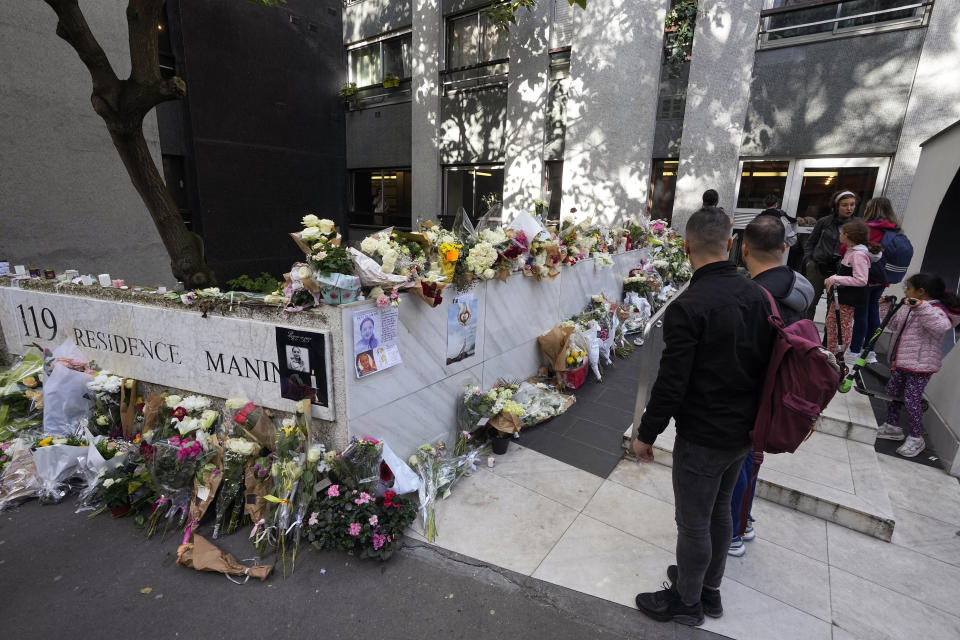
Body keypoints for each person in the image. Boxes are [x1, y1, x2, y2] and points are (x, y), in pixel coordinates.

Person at [632, 206, 773, 626]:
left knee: (693, 522)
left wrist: (646, 433)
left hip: (705, 435)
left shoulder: (689, 305)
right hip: (743, 432)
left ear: (685, 245)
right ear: (731, 245)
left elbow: (671, 383)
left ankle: (687, 602)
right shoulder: (757, 295)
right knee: (720, 511)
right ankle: (709, 591)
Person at [876, 273, 960, 457]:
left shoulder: (937, 309)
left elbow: (940, 326)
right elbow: (894, 325)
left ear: (921, 292)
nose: (905, 291)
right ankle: (892, 427)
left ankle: (916, 438)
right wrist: (885, 306)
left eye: (908, 288)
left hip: (920, 366)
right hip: (902, 361)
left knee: (911, 400)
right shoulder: (909, 306)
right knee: (894, 394)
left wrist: (921, 308)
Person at [849, 197, 903, 363]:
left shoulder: (868, 229)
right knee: (873, 313)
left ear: (870, 210)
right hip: (882, 278)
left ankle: (854, 351)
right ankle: (870, 350)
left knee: (861, 315)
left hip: (865, 277)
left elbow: (849, 248)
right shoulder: (895, 231)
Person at [823, 219, 882, 366]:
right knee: (832, 323)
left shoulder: (858, 255)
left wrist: (836, 278)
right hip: (842, 296)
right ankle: (831, 352)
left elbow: (861, 280)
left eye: (843, 232)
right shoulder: (851, 251)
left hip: (848, 297)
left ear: (850, 236)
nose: (840, 234)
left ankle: (837, 356)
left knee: (841, 326)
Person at [803, 190, 859, 320]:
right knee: (809, 303)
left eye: (852, 204)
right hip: (817, 266)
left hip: (840, 270)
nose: (849, 208)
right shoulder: (824, 222)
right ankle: (805, 334)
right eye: (845, 205)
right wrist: (808, 261)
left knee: (833, 307)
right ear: (836, 206)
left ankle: (828, 340)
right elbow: (810, 242)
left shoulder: (857, 224)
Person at [754, 194, 798, 263]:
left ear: (765, 204)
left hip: (760, 250)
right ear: (776, 204)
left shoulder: (758, 218)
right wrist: (783, 245)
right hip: (776, 250)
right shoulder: (782, 217)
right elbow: (791, 238)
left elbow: (752, 236)